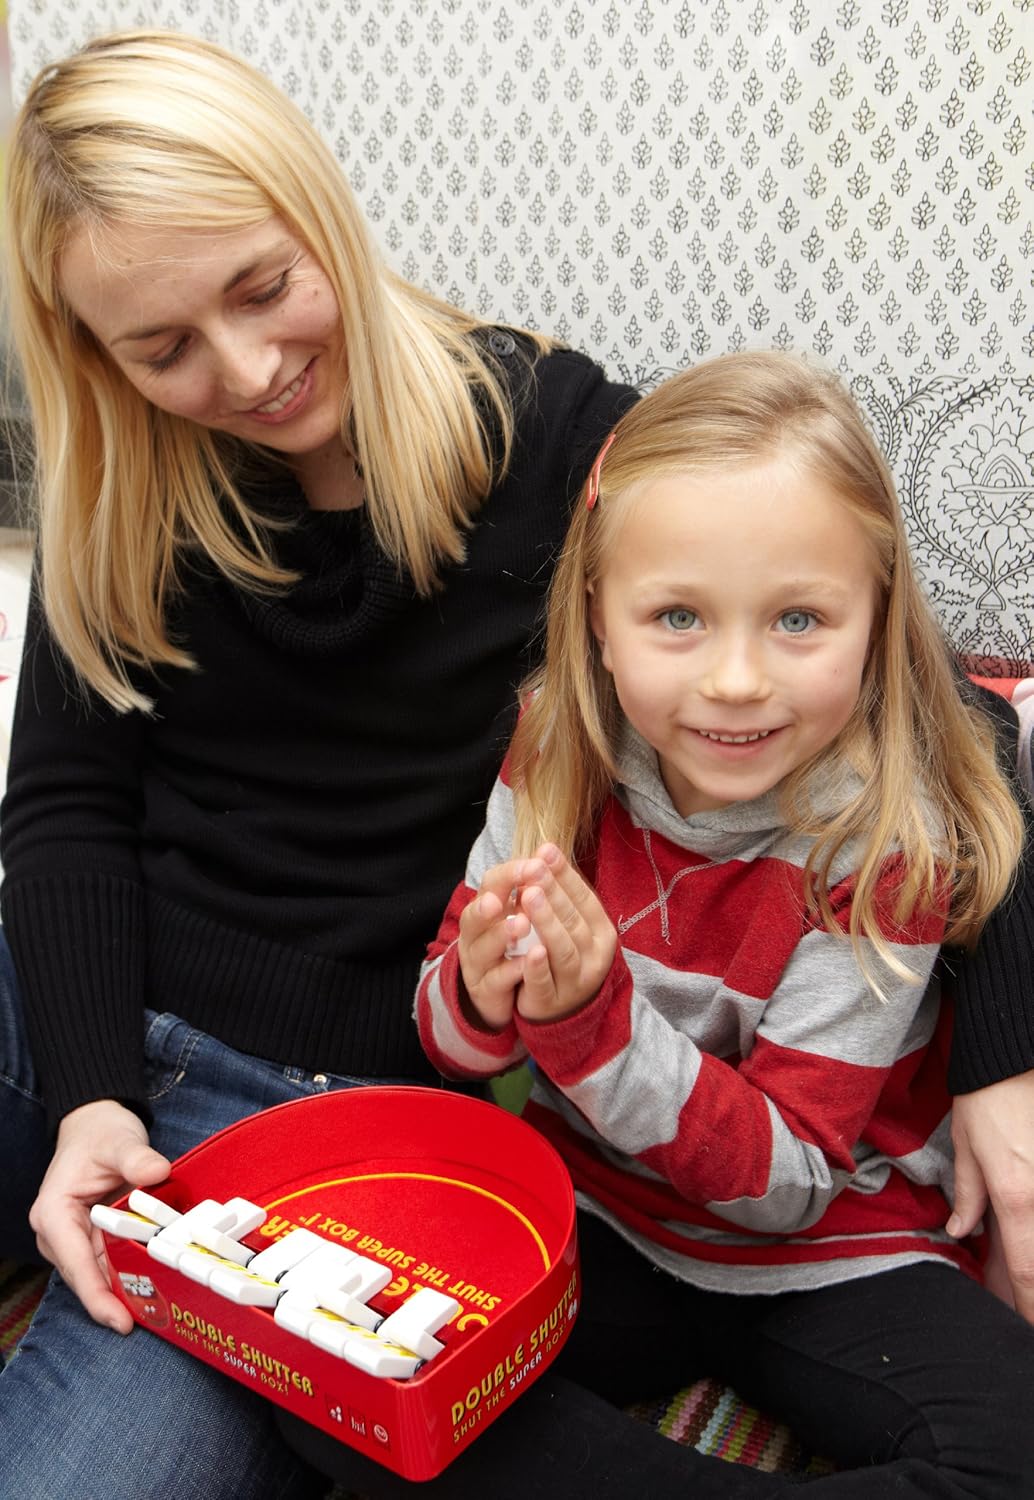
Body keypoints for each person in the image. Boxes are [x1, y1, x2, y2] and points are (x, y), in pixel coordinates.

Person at [0, 26, 1029, 1500]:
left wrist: (1004, 1052)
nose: (243, 368)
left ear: (324, 217)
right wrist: (90, 1092)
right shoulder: (118, 501)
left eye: (262, 287)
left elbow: (929, 714)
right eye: (159, 349)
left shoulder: (558, 445)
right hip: (61, 1017)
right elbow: (61, 807)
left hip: (313, 1112)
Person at [412, 353, 1034, 1497]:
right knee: (350, 1368)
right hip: (593, 1214)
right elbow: (450, 1046)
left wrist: (594, 1024)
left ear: (876, 621)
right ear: (598, 619)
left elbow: (785, 1179)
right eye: (677, 618)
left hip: (824, 1248)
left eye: (797, 618)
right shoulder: (553, 749)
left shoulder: (883, 841)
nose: (737, 679)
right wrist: (480, 990)